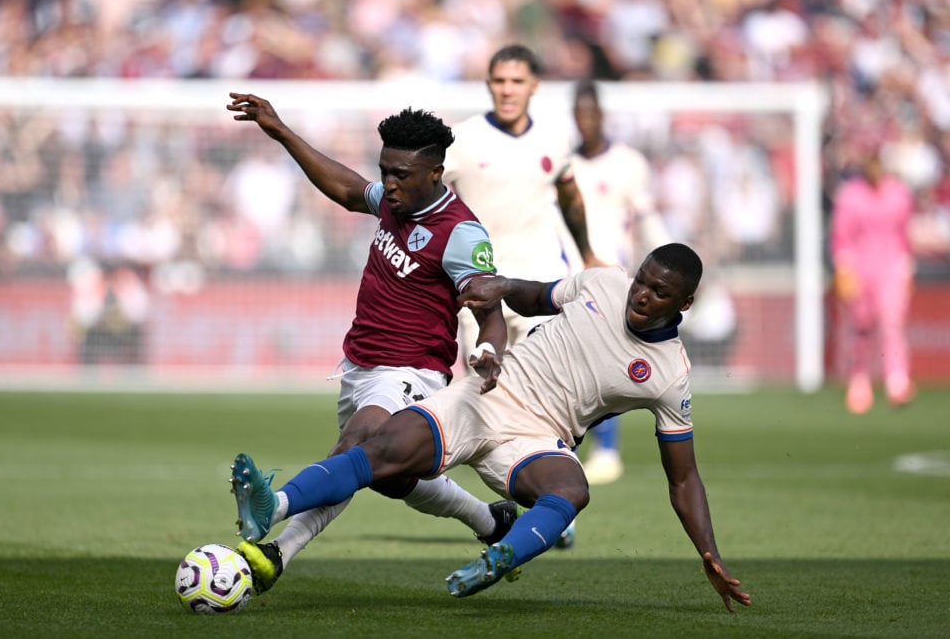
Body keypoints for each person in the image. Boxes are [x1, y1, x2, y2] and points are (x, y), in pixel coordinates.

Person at [230, 243, 752, 611]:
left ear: (684, 304)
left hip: (539, 437)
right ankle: (271, 507)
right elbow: (535, 295)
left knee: (572, 489)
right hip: (488, 394)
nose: (640, 295)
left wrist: (709, 551)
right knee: (384, 448)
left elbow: (683, 478)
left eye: (658, 292)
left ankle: (502, 556)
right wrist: (501, 286)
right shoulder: (604, 282)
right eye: (641, 280)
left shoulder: (669, 375)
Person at [224, 92, 519, 594]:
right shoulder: (398, 201)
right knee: (387, 476)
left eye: (402, 174)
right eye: (385, 170)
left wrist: (489, 352)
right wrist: (282, 131)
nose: (390, 183)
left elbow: (490, 310)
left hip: (412, 371)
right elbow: (346, 189)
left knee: (354, 448)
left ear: (436, 173)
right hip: (359, 363)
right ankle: (491, 522)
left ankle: (276, 534)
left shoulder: (462, 233)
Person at [442, 44, 606, 547]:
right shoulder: (463, 141)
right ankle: (531, 494)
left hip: (538, 287)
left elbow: (570, 195)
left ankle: (556, 499)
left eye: (516, 81)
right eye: (498, 81)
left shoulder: (555, 141)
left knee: (548, 398)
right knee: (488, 399)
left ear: (534, 84)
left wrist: (588, 253)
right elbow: (428, 200)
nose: (507, 90)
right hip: (479, 292)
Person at [569, 78, 673, 486]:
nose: (586, 121)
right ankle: (579, 449)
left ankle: (606, 449)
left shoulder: (629, 163)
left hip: (616, 279)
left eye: (592, 113)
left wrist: (670, 260)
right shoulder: (566, 164)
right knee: (575, 365)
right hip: (571, 277)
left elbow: (646, 218)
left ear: (602, 115)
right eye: (579, 114)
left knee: (600, 364)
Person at [830, 152, 916, 414]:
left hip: (890, 267)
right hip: (860, 268)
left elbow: (903, 235)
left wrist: (906, 266)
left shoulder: (898, 194)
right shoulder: (851, 196)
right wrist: (844, 266)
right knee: (860, 327)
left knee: (892, 324)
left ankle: (897, 379)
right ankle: (859, 381)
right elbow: (841, 235)